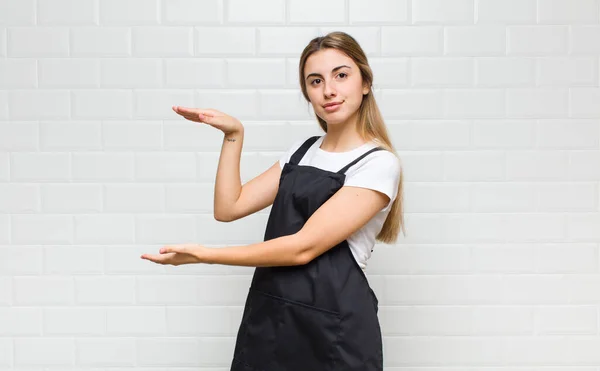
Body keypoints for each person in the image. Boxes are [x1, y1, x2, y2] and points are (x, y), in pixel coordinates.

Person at [141, 31, 405, 371]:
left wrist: (205, 255)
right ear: (307, 93)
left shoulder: (378, 164)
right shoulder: (301, 152)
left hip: (334, 330)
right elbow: (228, 207)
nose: (329, 90)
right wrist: (233, 135)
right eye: (315, 81)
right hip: (272, 318)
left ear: (365, 82)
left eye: (341, 75)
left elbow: (302, 248)